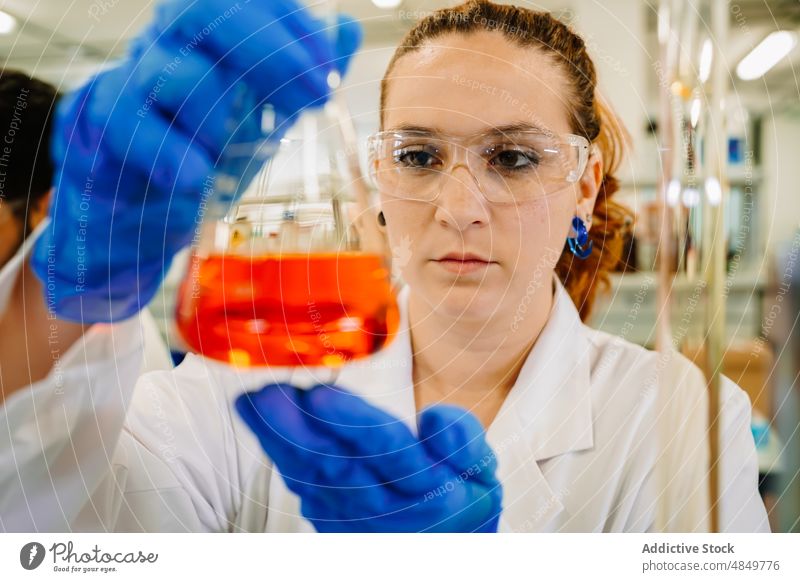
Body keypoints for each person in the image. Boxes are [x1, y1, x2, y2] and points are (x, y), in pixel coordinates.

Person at [0, 0, 768, 532]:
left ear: (584, 187)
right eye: (419, 156)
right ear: (375, 179)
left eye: (513, 157)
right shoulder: (249, 377)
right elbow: (54, 526)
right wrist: (59, 301)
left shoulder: (679, 420)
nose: (459, 206)